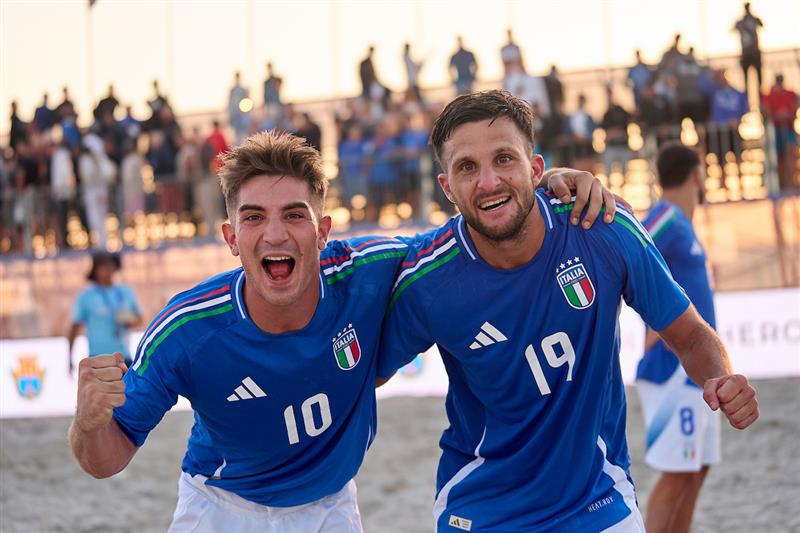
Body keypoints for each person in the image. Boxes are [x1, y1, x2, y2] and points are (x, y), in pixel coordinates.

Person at [69, 129, 617, 532]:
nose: (275, 233)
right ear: (231, 237)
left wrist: (550, 187)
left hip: (332, 509)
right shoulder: (187, 330)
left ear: (323, 230)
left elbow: (483, 223)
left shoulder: (376, 269)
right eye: (254, 218)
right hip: (220, 511)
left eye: (295, 214)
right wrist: (87, 423)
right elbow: (106, 460)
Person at [377, 90, 759, 532]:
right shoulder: (428, 278)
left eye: (504, 159)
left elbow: (691, 335)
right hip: (482, 509)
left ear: (535, 168)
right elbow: (363, 376)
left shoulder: (601, 229)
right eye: (467, 167)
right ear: (446, 188)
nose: (488, 181)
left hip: (597, 500)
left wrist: (720, 378)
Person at [636, 142, 719, 533]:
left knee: (696, 469)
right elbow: (630, 249)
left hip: (698, 372)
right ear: (697, 175)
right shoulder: (665, 217)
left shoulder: (681, 222)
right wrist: (653, 329)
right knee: (677, 473)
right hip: (672, 370)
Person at [67, 251, 142, 373]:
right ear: (95, 269)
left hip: (123, 357)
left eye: (110, 265)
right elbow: (74, 328)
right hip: (97, 359)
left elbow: (140, 319)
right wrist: (69, 357)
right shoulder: (86, 296)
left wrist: (130, 320)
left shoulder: (125, 292)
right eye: (103, 266)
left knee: (127, 391)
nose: (107, 269)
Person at [733, 2, 764, 102]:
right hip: (747, 54)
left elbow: (761, 24)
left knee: (758, 81)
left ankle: (760, 101)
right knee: (747, 81)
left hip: (753, 53)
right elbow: (733, 28)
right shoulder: (742, 21)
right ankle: (747, 103)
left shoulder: (752, 19)